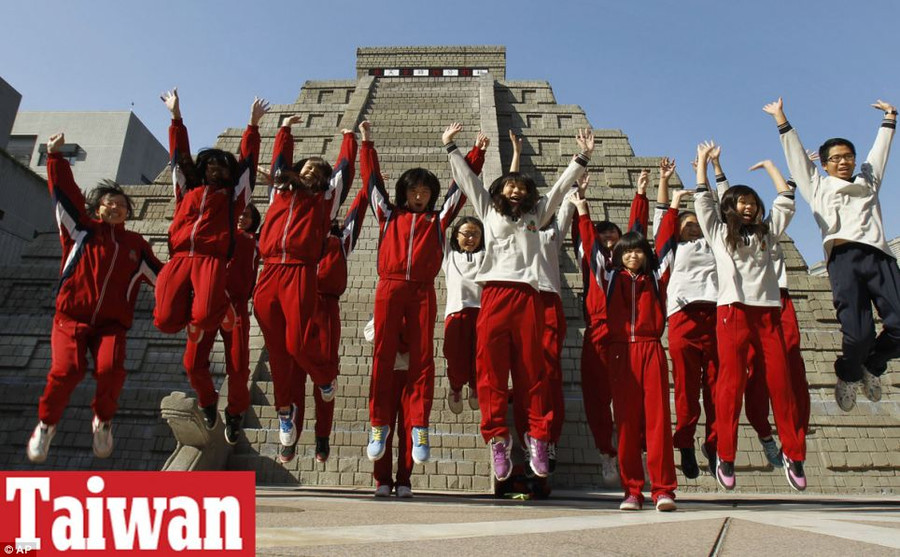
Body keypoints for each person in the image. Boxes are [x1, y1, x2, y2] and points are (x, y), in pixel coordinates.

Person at [444, 122, 592, 481]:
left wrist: (582, 158)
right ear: (499, 191)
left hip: (528, 296)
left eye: (521, 187)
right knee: (491, 372)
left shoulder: (535, 216)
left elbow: (557, 192)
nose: (514, 189)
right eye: (509, 185)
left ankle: (538, 437)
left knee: (534, 372)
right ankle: (497, 439)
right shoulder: (489, 212)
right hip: (494, 295)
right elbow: (469, 182)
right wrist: (451, 148)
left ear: (528, 196)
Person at [27, 132, 162, 463]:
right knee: (67, 371)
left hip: (112, 327)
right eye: (109, 203)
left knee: (111, 370)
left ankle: (103, 421)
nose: (115, 207)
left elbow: (163, 278)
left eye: (121, 204)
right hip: (71, 319)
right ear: (98, 207)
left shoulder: (136, 245)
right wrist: (55, 157)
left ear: (128, 212)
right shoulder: (81, 231)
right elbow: (66, 196)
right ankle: (46, 425)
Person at [764, 97, 899, 412]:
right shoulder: (817, 187)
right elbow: (796, 157)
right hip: (844, 260)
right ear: (824, 165)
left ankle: (873, 366)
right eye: (836, 158)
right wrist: (781, 119)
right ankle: (850, 374)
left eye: (848, 157)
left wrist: (890, 119)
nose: (843, 162)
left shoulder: (868, 182)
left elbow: (879, 155)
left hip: (879, 257)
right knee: (858, 334)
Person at [366, 127, 486, 465]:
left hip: (422, 291)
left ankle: (419, 425)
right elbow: (371, 183)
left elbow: (461, 189)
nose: (419, 196)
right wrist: (365, 143)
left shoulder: (438, 219)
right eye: (414, 190)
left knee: (422, 359)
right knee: (383, 356)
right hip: (388, 287)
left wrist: (475, 152)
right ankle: (378, 424)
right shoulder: (388, 215)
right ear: (404, 192)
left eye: (425, 191)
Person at [694, 142, 807, 492]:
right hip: (733, 312)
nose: (747, 206)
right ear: (731, 207)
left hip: (768, 314)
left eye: (751, 202)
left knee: (781, 384)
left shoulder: (767, 234)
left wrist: (772, 168)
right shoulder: (718, 234)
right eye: (741, 202)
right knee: (730, 386)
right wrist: (704, 165)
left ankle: (794, 453)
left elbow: (786, 200)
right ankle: (725, 455)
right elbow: (703, 201)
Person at [255, 115, 357, 463]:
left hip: (300, 272)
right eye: (309, 168)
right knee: (278, 353)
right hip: (268, 272)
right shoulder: (278, 193)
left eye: (320, 172)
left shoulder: (324, 203)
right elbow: (279, 162)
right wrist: (284, 130)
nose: (314, 172)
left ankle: (325, 378)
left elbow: (345, 170)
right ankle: (285, 414)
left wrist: (349, 136)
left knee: (297, 342)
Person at [573, 187, 679, 512]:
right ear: (618, 255)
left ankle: (663, 490)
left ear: (645, 254)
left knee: (658, 420)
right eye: (627, 252)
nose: (633, 255)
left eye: (638, 251)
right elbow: (591, 247)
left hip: (650, 349)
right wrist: (582, 210)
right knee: (627, 421)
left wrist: (672, 205)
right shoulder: (608, 277)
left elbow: (665, 243)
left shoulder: (657, 277)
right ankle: (632, 490)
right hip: (620, 351)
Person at [288, 121, 375, 463]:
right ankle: (291, 435)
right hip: (295, 299)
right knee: (292, 375)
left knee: (326, 374)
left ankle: (322, 435)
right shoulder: (299, 218)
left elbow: (364, 193)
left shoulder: (342, 238)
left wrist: (356, 142)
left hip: (326, 308)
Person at [153, 89, 264, 350]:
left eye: (224, 167)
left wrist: (253, 126)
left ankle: (215, 309)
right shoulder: (186, 192)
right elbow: (179, 157)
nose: (218, 170)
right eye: (212, 165)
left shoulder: (232, 199)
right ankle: (199, 312)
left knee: (204, 317)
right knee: (165, 321)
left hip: (211, 260)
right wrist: (176, 117)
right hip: (179, 257)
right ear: (202, 169)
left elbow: (248, 165)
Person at [572, 170, 649, 480]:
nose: (609, 240)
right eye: (604, 236)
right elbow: (584, 234)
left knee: (634, 395)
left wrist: (641, 195)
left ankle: (640, 449)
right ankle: (607, 451)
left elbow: (638, 232)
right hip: (598, 329)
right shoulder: (591, 260)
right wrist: (582, 204)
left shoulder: (628, 262)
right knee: (596, 395)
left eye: (614, 237)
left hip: (627, 332)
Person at [509, 130, 578, 473]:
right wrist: (517, 157)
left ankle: (547, 440)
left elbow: (562, 197)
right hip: (519, 299)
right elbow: (508, 192)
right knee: (523, 375)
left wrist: (577, 177)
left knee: (548, 375)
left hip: (548, 300)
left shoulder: (552, 232)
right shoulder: (516, 224)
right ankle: (528, 437)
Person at [654, 154, 719, 481]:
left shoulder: (716, 244)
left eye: (696, 222)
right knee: (687, 389)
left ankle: (716, 443)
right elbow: (662, 220)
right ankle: (686, 442)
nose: (693, 226)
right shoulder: (671, 250)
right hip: (682, 318)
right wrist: (668, 187)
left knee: (719, 388)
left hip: (717, 316)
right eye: (686, 223)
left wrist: (704, 171)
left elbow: (717, 211)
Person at [181, 203, 260, 444]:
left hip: (235, 308)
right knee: (193, 363)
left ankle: (234, 413)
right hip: (205, 304)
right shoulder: (210, 235)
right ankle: (208, 400)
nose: (242, 217)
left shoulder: (255, 241)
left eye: (247, 215)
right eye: (239, 213)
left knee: (238, 366)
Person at [364, 318, 415, 498]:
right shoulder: (385, 310)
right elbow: (369, 333)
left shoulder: (414, 311)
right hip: (387, 374)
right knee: (382, 428)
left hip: (410, 375)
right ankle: (383, 480)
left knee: (408, 430)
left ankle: (404, 481)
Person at [442, 215, 485, 414]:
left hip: (482, 312)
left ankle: (475, 386)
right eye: (466, 234)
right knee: (455, 355)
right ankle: (456, 386)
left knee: (481, 355)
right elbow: (439, 227)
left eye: (476, 234)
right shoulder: (449, 256)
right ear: (456, 236)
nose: (471, 238)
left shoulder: (486, 255)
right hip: (456, 312)